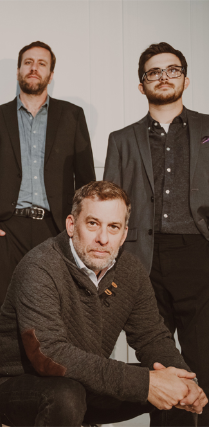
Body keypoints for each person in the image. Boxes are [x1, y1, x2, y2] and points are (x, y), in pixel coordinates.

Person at [0, 181, 207, 426]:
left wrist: (186, 383)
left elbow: (152, 337)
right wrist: (144, 383)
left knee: (174, 388)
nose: (103, 238)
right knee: (67, 395)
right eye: (93, 224)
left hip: (84, 381)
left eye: (113, 227)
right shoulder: (39, 266)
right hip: (17, 384)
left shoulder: (130, 270)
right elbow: (48, 353)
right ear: (71, 225)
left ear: (124, 234)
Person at [104, 42, 209, 426]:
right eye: (154, 72)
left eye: (172, 69)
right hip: (142, 260)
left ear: (185, 79)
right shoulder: (122, 139)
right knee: (162, 368)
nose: (164, 77)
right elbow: (110, 205)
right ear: (141, 84)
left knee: (205, 359)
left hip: (199, 253)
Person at [0, 41, 96, 324]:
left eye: (41, 63)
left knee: (56, 313)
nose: (34, 68)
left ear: (51, 74)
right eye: (28, 62)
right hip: (5, 230)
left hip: (57, 229)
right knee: (2, 314)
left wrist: (82, 228)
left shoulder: (72, 116)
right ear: (18, 71)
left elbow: (86, 180)